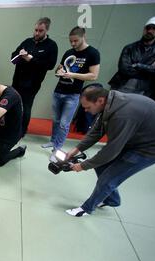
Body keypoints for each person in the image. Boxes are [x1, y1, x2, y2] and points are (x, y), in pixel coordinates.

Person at [65, 86, 155, 217]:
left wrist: (82, 166)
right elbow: (97, 131)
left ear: (99, 100)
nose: (86, 111)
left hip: (150, 148)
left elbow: (111, 150)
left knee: (108, 178)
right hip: (135, 139)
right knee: (101, 166)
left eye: (88, 107)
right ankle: (112, 200)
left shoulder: (122, 115)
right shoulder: (110, 104)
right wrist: (77, 149)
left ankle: (87, 208)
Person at [42, 26, 100, 161]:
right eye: (71, 41)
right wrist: (60, 71)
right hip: (59, 90)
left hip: (73, 94)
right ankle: (53, 141)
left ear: (83, 37)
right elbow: (59, 68)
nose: (73, 44)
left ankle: (57, 149)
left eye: (75, 41)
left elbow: (94, 76)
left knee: (64, 123)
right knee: (56, 120)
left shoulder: (92, 53)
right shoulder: (69, 52)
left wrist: (72, 74)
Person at [10, 17, 58, 137]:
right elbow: (13, 55)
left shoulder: (51, 46)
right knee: (13, 104)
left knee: (26, 107)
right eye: (36, 30)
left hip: (32, 84)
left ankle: (21, 131)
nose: (37, 33)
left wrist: (31, 59)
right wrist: (19, 55)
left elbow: (50, 65)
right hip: (17, 80)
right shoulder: (27, 42)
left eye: (40, 31)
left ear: (46, 30)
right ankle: (11, 127)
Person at [108, 15, 155, 104]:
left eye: (154, 28)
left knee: (131, 116)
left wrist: (138, 65)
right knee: (109, 110)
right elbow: (124, 69)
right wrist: (150, 68)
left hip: (143, 91)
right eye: (148, 28)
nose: (150, 31)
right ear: (144, 29)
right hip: (121, 86)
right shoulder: (130, 47)